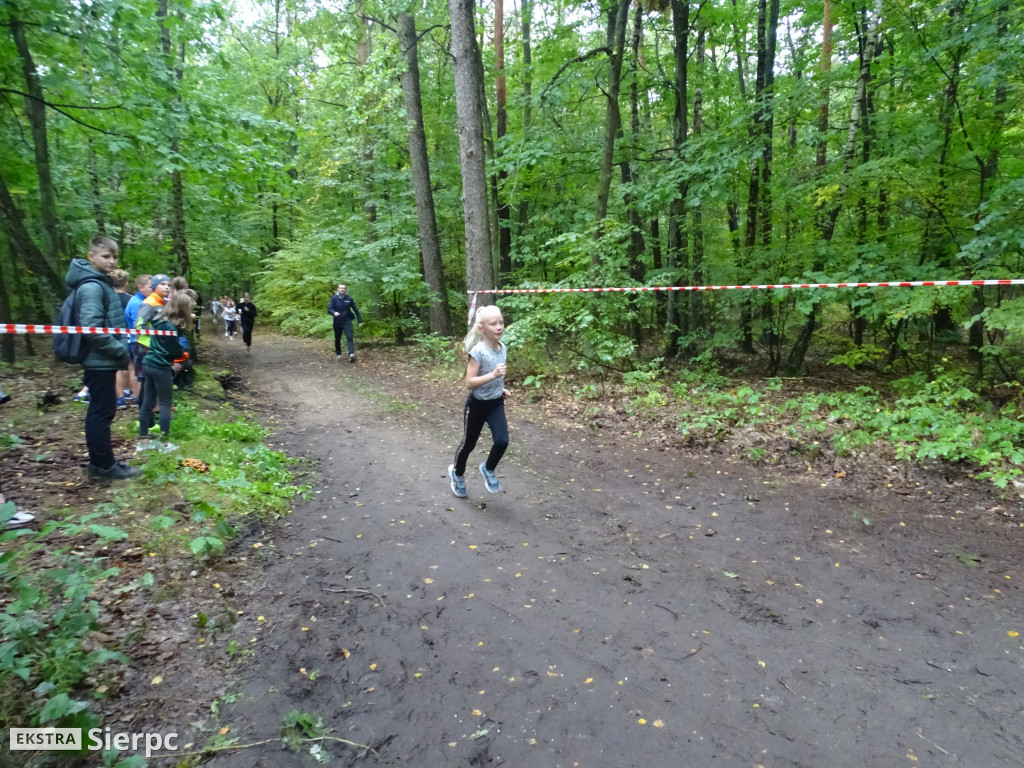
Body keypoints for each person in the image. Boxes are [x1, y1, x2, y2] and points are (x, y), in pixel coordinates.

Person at [66, 235, 140, 480]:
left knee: (103, 410)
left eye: (114, 256)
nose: (111, 261)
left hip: (104, 360)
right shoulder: (91, 287)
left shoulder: (99, 283)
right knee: (101, 411)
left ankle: (102, 463)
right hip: (99, 360)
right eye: (105, 256)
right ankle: (104, 467)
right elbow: (92, 327)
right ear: (91, 257)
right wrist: (120, 350)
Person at [448, 305, 510, 497]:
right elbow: (470, 382)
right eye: (493, 324)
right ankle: (457, 474)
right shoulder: (478, 352)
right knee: (469, 444)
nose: (499, 327)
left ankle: (488, 469)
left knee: (502, 441)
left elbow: (498, 376)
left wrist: (502, 388)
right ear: (482, 328)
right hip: (476, 406)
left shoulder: (503, 348)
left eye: (501, 322)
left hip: (495, 402)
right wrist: (493, 375)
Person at [137, 292, 193, 453]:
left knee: (148, 401)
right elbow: (175, 351)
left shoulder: (161, 321)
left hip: (148, 363)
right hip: (160, 367)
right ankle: (164, 443)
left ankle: (143, 440)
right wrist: (182, 354)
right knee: (165, 403)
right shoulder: (169, 328)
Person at [124, 273, 152, 402]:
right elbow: (139, 325)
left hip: (137, 341)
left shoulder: (141, 301)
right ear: (141, 288)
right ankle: (140, 398)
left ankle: (139, 398)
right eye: (151, 287)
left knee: (135, 370)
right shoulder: (137, 303)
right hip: (137, 341)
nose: (154, 290)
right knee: (140, 372)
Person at [110, 269, 133, 409]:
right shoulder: (131, 299)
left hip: (111, 336)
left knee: (118, 367)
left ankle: (120, 398)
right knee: (130, 366)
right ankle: (131, 393)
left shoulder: (107, 298)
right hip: (129, 336)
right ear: (126, 283)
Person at [328, 283, 363, 362]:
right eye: (340, 288)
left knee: (349, 336)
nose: (342, 289)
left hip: (347, 320)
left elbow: (355, 310)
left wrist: (360, 320)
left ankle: (351, 354)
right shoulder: (334, 298)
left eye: (343, 288)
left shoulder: (349, 298)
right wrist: (334, 313)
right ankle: (339, 354)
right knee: (337, 338)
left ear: (345, 290)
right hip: (337, 321)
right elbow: (329, 309)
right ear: (338, 289)